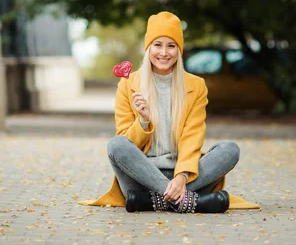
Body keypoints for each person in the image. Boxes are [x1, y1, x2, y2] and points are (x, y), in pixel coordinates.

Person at [79, 12, 260, 213]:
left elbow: (193, 136)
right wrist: (143, 121)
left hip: (185, 175)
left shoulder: (196, 86)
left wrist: (181, 176)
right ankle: (192, 201)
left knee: (230, 150)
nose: (164, 53)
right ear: (148, 48)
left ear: (179, 50)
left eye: (171, 46)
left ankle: (153, 201)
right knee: (116, 145)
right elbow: (125, 145)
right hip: (142, 177)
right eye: (158, 45)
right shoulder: (128, 84)